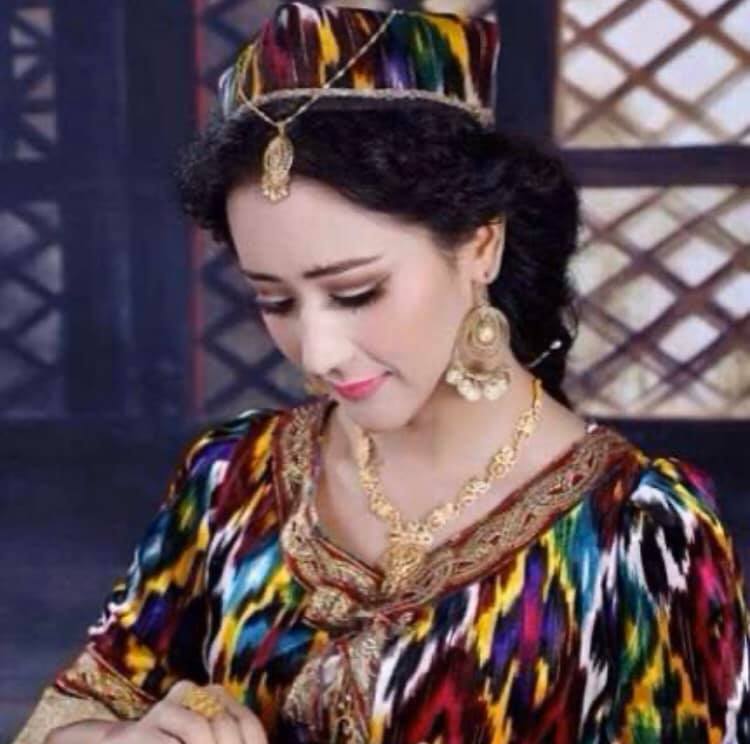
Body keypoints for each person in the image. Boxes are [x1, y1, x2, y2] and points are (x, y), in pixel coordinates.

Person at [13, 3, 750, 743]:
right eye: (275, 300)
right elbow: (70, 715)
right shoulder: (232, 480)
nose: (318, 352)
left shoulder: (640, 534)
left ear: (481, 246)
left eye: (357, 292)